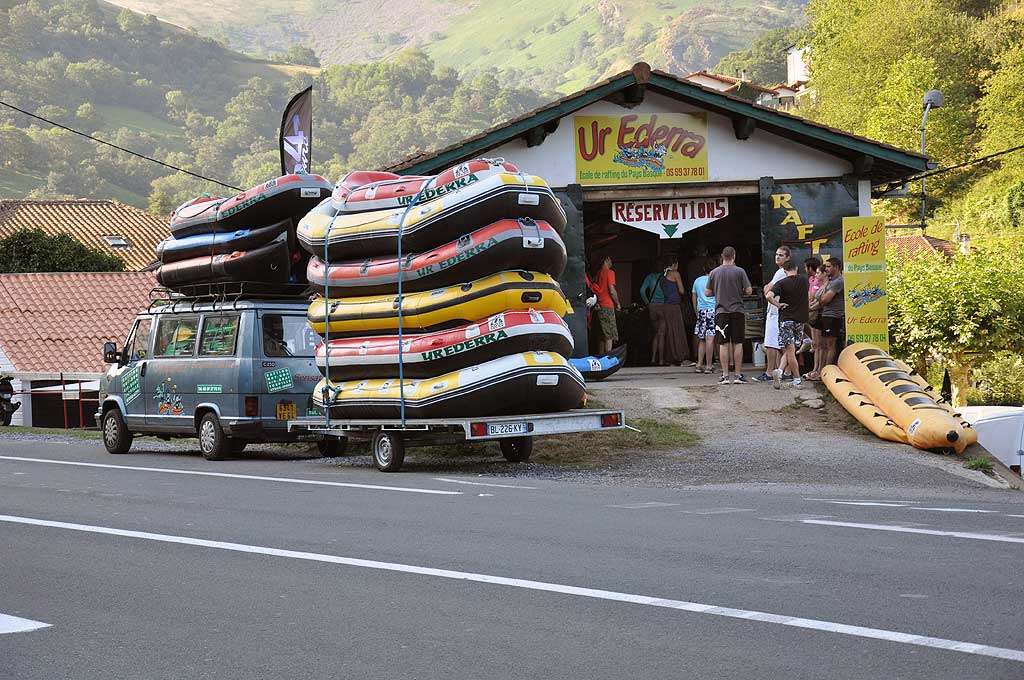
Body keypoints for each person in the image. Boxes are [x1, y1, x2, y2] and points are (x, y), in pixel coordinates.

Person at [706, 246, 753, 385]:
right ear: (734, 256)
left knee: (723, 344)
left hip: (721, 312)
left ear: (722, 256)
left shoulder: (714, 272)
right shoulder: (740, 271)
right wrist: (739, 291)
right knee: (738, 343)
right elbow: (749, 291)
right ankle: (737, 375)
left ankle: (725, 376)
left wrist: (718, 291)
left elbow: (707, 292)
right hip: (737, 311)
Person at [766, 259, 809, 389]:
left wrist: (778, 304)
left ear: (784, 271)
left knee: (789, 350)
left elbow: (768, 296)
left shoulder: (781, 283)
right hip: (800, 319)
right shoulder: (804, 280)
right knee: (792, 350)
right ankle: (785, 374)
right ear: (796, 268)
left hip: (786, 319)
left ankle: (793, 377)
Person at [754, 245, 791, 383]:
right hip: (777, 311)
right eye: (776, 254)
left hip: (776, 311)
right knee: (781, 345)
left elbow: (767, 291)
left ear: (788, 258)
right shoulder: (781, 272)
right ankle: (784, 371)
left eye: (781, 255)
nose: (777, 257)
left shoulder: (781, 272)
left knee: (771, 343)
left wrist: (767, 287)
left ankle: (770, 372)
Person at [659, 257, 689, 365]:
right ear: (674, 264)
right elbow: (681, 290)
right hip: (674, 305)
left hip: (666, 305)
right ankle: (681, 357)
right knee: (678, 330)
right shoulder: (675, 274)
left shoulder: (662, 276)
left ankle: (670, 358)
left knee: (670, 332)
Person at [817, 257, 846, 371]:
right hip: (827, 315)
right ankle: (822, 369)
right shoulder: (830, 282)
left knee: (830, 344)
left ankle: (827, 369)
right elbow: (818, 297)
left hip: (834, 316)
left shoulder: (839, 281)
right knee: (823, 344)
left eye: (829, 266)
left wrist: (821, 299)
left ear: (836, 267)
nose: (826, 269)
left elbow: (824, 299)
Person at [804, 262, 830, 381]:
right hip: (815, 314)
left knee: (821, 345)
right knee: (816, 345)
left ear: (824, 274)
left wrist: (810, 308)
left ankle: (820, 369)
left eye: (819, 273)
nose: (816, 275)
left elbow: (821, 302)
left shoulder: (826, 285)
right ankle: (815, 369)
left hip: (820, 315)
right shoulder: (818, 283)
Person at [640, 259, 667, 365]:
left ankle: (653, 358)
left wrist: (648, 303)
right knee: (661, 334)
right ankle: (661, 360)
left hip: (652, 307)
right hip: (662, 306)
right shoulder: (665, 276)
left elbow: (642, 291)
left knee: (656, 333)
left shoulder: (649, 277)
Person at [691, 257, 716, 374]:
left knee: (702, 339)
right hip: (712, 310)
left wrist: (696, 311)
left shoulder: (697, 281)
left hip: (701, 311)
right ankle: (709, 366)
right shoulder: (715, 280)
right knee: (710, 339)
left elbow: (694, 297)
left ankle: (699, 364)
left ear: (703, 268)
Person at [592, 255, 621, 355]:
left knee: (601, 335)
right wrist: (617, 303)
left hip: (599, 306)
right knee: (609, 334)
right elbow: (611, 290)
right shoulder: (610, 272)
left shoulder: (598, 273)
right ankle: (608, 356)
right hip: (607, 306)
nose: (611, 261)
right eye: (610, 259)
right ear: (606, 260)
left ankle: (601, 356)